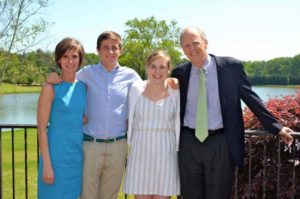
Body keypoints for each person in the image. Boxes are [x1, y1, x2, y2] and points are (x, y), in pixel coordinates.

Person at [171, 27, 294, 199]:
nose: (191, 49)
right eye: (186, 46)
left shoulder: (231, 67)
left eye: (195, 43)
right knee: (190, 194)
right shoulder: (179, 73)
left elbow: (251, 98)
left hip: (221, 143)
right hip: (188, 143)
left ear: (206, 43)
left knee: (219, 194)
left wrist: (276, 127)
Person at [47, 31, 141, 199]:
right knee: (87, 195)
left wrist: (170, 83)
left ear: (120, 50)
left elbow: (149, 92)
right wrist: (52, 74)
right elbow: (66, 75)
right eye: (106, 47)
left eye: (114, 47)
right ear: (98, 50)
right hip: (91, 146)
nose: (110, 52)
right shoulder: (85, 73)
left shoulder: (131, 76)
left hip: (118, 145)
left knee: (110, 195)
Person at [123, 50, 180, 199]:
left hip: (165, 154)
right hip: (140, 153)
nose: (157, 71)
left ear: (168, 69)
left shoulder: (176, 92)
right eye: (153, 66)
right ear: (146, 67)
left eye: (162, 67)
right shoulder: (135, 89)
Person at [37, 37, 86, 199]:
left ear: (80, 59)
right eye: (65, 56)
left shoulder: (83, 87)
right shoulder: (51, 87)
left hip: (76, 160)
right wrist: (47, 165)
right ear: (59, 59)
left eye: (74, 56)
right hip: (55, 159)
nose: (70, 61)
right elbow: (42, 129)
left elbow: (82, 116)